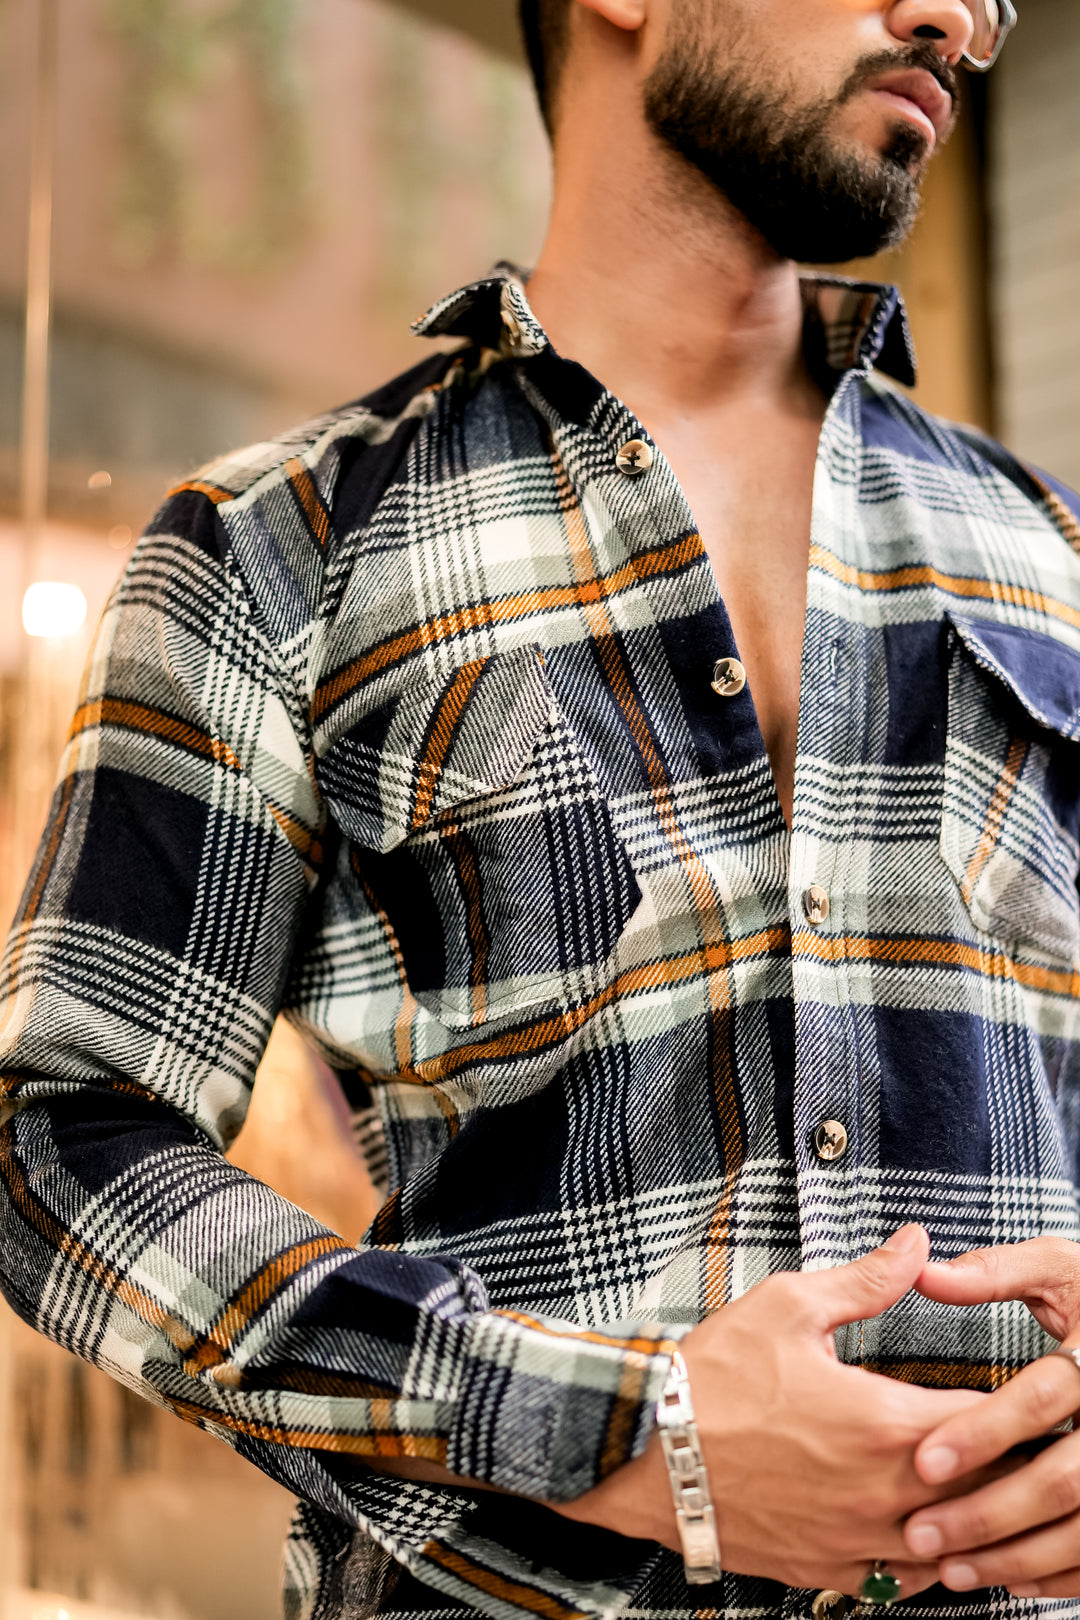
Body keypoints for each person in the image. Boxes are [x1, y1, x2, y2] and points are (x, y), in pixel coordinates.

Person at [3, 1, 1080, 1618]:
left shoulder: (1051, 555)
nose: (966, 15)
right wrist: (626, 1439)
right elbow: (61, 1143)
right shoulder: (272, 554)